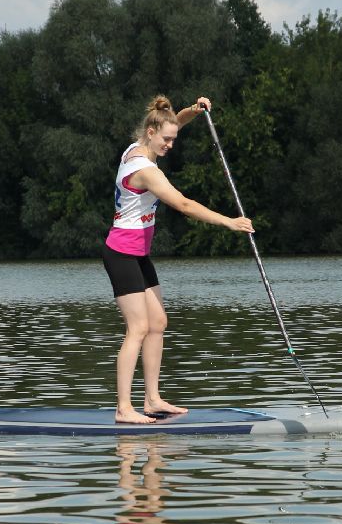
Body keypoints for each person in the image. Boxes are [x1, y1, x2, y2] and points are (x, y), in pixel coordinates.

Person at [102, 94, 254, 424]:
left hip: (138, 254)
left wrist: (194, 112)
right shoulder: (146, 172)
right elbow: (184, 205)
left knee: (157, 323)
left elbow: (175, 121)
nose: (171, 145)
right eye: (167, 140)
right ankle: (123, 408)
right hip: (121, 254)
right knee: (138, 328)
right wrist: (229, 222)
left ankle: (152, 399)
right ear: (152, 132)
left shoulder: (138, 145)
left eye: (173, 139)